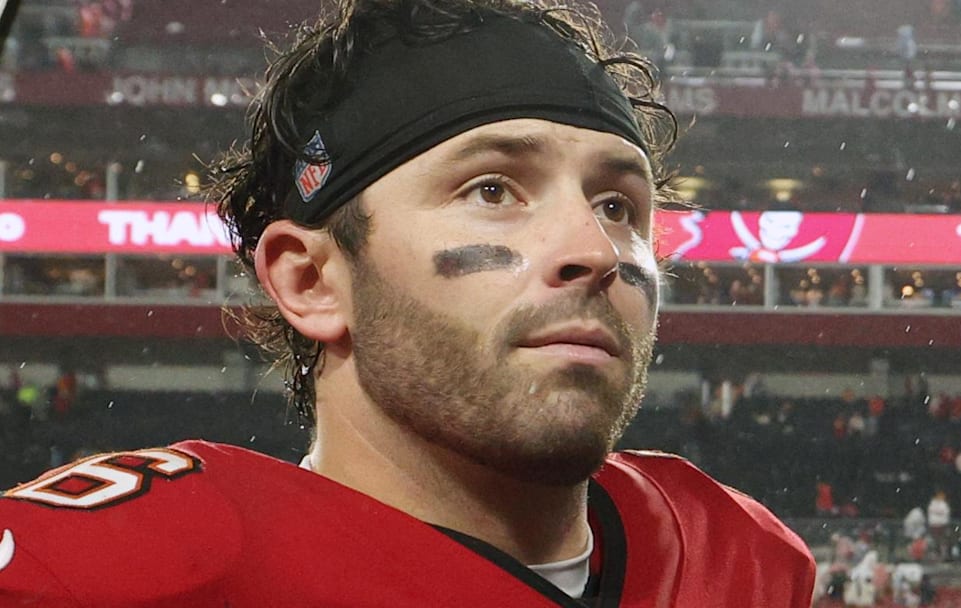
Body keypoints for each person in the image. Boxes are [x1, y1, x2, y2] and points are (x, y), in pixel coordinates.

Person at [0, 0, 816, 605]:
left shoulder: (736, 556)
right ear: (311, 280)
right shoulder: (111, 570)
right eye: (493, 188)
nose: (597, 251)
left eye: (617, 206)